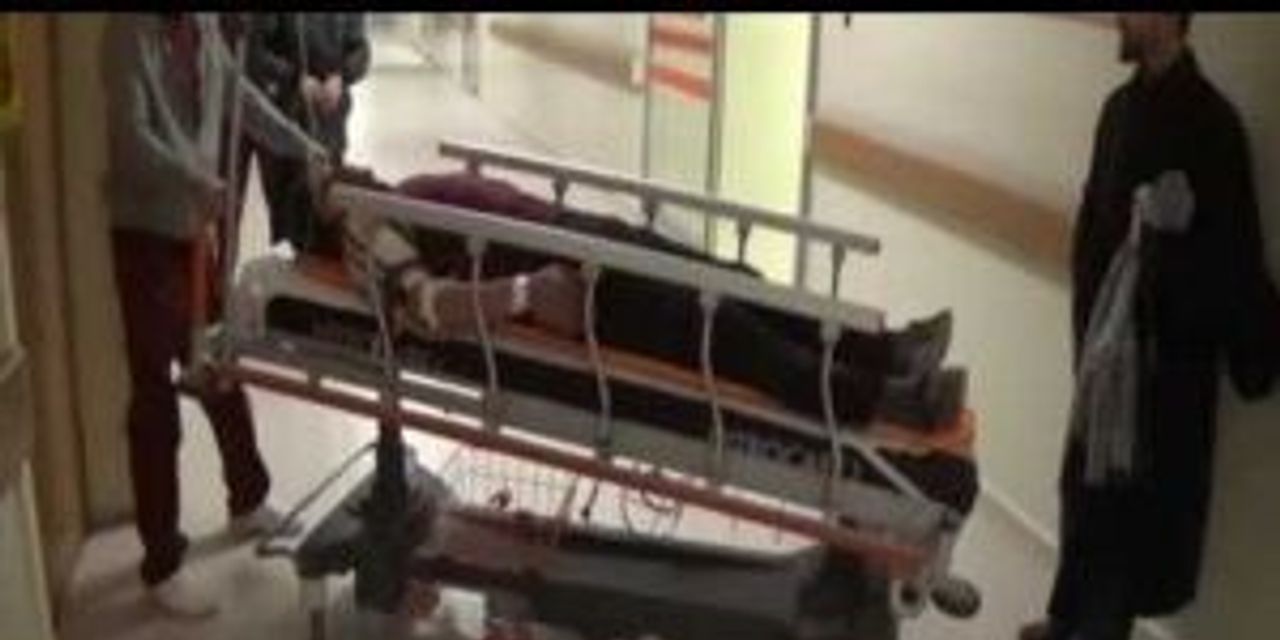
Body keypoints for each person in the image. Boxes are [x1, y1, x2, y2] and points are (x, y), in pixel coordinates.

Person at [1018, 13, 1280, 640]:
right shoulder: (1118, 108)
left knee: (1130, 495)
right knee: (1085, 479)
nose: (1122, 18)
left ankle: (1101, 636)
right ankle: (1070, 612)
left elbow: (1233, 247)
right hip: (1108, 337)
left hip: (1165, 352)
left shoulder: (1211, 123)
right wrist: (1089, 324)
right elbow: (1092, 218)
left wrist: (1171, 243)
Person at [309, 165, 969, 433]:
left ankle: (886, 351)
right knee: (728, 333)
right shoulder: (365, 228)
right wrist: (526, 292)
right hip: (576, 283)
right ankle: (888, 402)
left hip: (583, 238)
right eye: (329, 178)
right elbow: (428, 306)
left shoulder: (391, 195)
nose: (345, 166)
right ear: (327, 211)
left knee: (739, 283)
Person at [103, 13, 330, 618]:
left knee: (220, 365)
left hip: (193, 230)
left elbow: (241, 98)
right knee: (155, 396)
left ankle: (248, 496)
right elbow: (131, 138)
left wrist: (302, 144)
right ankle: (162, 563)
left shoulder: (202, 25)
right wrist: (194, 179)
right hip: (147, 236)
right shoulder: (127, 33)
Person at [247, 13, 370, 254]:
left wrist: (341, 77)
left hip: (330, 123)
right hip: (284, 122)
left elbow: (361, 51)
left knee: (327, 209)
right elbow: (256, 54)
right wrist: (295, 79)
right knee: (288, 215)